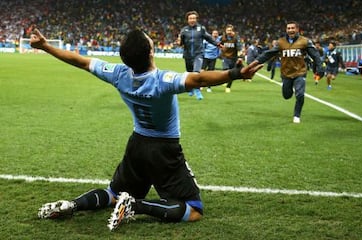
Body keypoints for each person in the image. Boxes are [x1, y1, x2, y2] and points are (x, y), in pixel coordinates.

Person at [30, 28, 262, 231]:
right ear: (151, 52)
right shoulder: (163, 81)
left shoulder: (118, 74)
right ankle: (135, 205)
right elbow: (200, 79)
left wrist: (46, 46)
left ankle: (74, 204)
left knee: (113, 194)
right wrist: (235, 74)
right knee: (193, 209)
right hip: (164, 150)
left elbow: (81, 61)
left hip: (137, 145)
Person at [254, 21, 324, 123]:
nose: (290, 30)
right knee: (286, 95)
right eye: (288, 28)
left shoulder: (305, 41)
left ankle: (297, 115)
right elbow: (268, 54)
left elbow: (315, 55)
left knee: (300, 94)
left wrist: (320, 68)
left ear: (297, 30)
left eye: (292, 28)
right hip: (286, 73)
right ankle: (289, 89)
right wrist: (256, 61)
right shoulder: (281, 42)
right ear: (286, 30)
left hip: (300, 72)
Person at [178, 11, 221, 100]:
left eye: (194, 18)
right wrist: (179, 42)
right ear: (187, 20)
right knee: (189, 73)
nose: (192, 20)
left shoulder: (201, 29)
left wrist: (217, 44)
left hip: (198, 54)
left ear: (196, 19)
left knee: (196, 72)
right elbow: (181, 42)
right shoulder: (184, 30)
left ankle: (197, 90)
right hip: (188, 55)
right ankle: (190, 88)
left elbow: (208, 37)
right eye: (190, 18)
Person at [218, 24, 243, 93]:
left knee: (232, 73)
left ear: (232, 31)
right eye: (227, 30)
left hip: (233, 58)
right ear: (225, 31)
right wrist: (221, 48)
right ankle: (225, 80)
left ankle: (228, 87)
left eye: (230, 30)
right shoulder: (222, 37)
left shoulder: (236, 38)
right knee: (225, 69)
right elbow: (218, 43)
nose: (229, 32)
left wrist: (240, 57)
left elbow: (239, 48)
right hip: (225, 57)